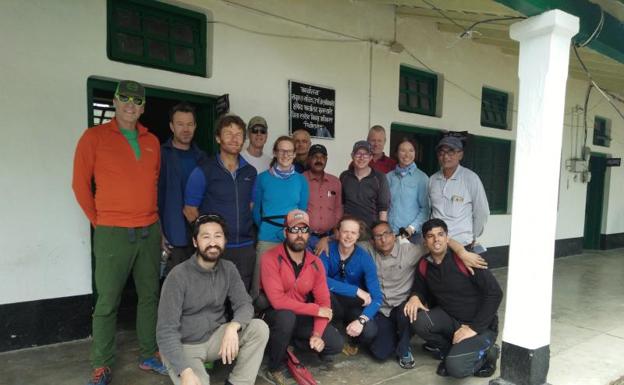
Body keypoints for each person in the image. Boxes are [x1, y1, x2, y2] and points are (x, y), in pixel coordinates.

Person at [72, 80, 167, 385]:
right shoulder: (94, 137)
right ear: (114, 101)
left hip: (149, 230)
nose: (130, 105)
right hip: (112, 231)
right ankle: (101, 364)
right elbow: (79, 185)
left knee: (150, 296)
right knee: (108, 301)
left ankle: (149, 354)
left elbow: (153, 185)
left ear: (143, 106)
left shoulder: (152, 141)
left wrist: (158, 227)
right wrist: (99, 221)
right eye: (124, 98)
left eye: (136, 100)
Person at [157, 214, 269, 385]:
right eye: (206, 236)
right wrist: (184, 371)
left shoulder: (228, 269)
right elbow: (165, 331)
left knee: (259, 328)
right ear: (195, 242)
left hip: (215, 338)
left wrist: (233, 326)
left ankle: (237, 382)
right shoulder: (177, 276)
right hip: (184, 346)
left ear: (224, 241)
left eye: (218, 236)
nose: (212, 242)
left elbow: (245, 304)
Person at [360, 221, 486, 369]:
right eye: (378, 236)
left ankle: (404, 349)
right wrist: (325, 239)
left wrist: (461, 251)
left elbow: (438, 242)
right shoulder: (366, 249)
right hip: (381, 308)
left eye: (387, 234)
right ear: (372, 240)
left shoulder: (410, 251)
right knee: (380, 353)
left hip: (402, 306)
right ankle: (396, 336)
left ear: (394, 236)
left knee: (408, 311)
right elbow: (346, 240)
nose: (383, 239)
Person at [409, 218, 502, 378]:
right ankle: (449, 353)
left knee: (456, 369)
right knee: (418, 320)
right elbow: (419, 288)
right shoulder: (424, 264)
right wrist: (415, 297)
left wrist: (473, 329)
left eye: (440, 234)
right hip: (452, 320)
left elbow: (495, 293)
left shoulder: (466, 260)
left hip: (480, 325)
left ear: (447, 238)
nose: (436, 239)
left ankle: (489, 354)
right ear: (425, 241)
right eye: (430, 236)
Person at [260, 210, 344, 385]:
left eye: (304, 230)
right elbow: (278, 301)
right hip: (274, 315)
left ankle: (289, 344)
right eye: (294, 230)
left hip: (299, 312)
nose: (299, 235)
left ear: (309, 233)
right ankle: (274, 367)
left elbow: (324, 302)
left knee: (335, 344)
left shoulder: (315, 262)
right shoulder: (270, 258)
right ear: (285, 233)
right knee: (286, 317)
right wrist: (315, 309)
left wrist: (317, 334)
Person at [183, 114, 257, 292]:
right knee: (213, 298)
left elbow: (250, 206)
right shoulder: (203, 170)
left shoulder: (250, 172)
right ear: (218, 138)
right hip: (216, 248)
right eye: (228, 133)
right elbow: (189, 210)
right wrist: (208, 238)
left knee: (241, 298)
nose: (234, 138)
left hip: (245, 248)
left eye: (239, 134)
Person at [252, 136, 309, 297]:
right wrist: (266, 227)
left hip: (292, 238)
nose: (285, 154)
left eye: (289, 151)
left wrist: (293, 231)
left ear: (294, 154)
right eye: (282, 151)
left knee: (289, 280)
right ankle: (256, 315)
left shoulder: (301, 181)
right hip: (267, 237)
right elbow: (256, 211)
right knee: (260, 281)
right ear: (275, 153)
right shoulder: (262, 178)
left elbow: (302, 212)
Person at [320, 216, 381, 355]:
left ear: (358, 235)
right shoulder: (326, 250)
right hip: (331, 303)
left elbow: (377, 298)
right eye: (345, 231)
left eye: (353, 233)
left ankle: (352, 341)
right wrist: (356, 290)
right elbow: (319, 280)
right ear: (338, 232)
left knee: (370, 331)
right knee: (324, 292)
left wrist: (361, 320)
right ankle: (333, 333)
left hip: (352, 306)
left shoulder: (364, 258)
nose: (348, 236)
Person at [158, 102, 207, 273]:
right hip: (173, 234)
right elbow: (154, 197)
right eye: (180, 124)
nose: (185, 129)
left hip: (199, 235)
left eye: (189, 124)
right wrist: (160, 233)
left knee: (200, 286)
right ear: (171, 126)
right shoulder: (160, 155)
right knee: (175, 288)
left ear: (195, 126)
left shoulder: (203, 157)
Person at [429, 136, 489, 250]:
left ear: (460, 154)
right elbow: (430, 209)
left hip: (461, 244)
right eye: (441, 153)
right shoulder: (433, 179)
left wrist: (472, 235)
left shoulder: (471, 178)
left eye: (450, 152)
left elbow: (482, 211)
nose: (445, 156)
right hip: (436, 244)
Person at [340, 140, 391, 232]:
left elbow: (383, 210)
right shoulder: (344, 176)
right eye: (358, 154)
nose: (361, 158)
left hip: (370, 231)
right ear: (352, 155)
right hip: (348, 230)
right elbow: (341, 205)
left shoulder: (380, 178)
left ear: (371, 157)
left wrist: (381, 233)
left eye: (366, 154)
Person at [387, 138, 429, 243]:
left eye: (411, 150)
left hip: (412, 236)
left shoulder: (422, 178)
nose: (407, 154)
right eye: (402, 150)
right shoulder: (389, 177)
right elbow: (384, 204)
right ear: (396, 153)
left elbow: (425, 209)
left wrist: (411, 228)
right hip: (390, 234)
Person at [303, 144, 342, 254]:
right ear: (309, 159)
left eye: (322, 157)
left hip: (330, 238)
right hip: (306, 237)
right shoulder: (300, 180)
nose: (319, 160)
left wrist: (335, 231)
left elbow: (338, 208)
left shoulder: (335, 182)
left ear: (326, 159)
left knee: (327, 268)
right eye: (315, 156)